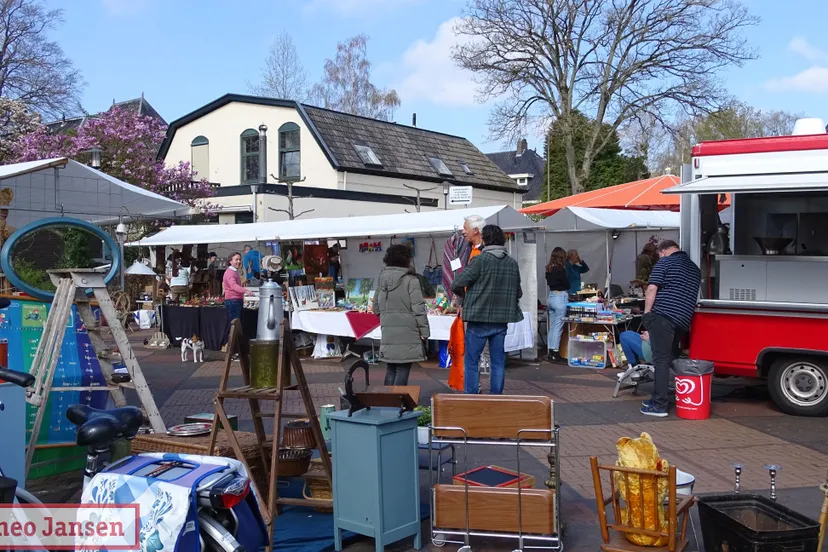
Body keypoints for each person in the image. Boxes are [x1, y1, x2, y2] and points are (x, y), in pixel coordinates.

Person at [450, 225, 523, 395]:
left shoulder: (480, 260)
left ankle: (472, 397)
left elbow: (456, 283)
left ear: (485, 239)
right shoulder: (512, 263)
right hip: (501, 319)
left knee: (472, 361)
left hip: (478, 318)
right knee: (497, 362)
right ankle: (496, 398)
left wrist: (466, 298)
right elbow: (518, 292)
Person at [641, 240, 701, 418]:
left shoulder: (665, 262)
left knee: (660, 361)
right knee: (671, 358)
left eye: (659, 254)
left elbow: (652, 288)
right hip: (682, 320)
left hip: (663, 317)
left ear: (663, 251)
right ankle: (667, 397)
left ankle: (659, 405)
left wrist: (647, 313)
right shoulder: (694, 268)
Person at [372, 244, 430, 386]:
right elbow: (418, 309)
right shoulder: (411, 280)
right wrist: (425, 332)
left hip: (388, 329)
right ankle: (399, 402)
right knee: (403, 369)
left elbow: (375, 307)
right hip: (408, 331)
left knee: (391, 368)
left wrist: (386, 319)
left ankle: (389, 402)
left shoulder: (381, 279)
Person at [545, 247, 569, 363]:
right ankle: (555, 352)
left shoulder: (548, 269)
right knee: (558, 327)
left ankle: (550, 352)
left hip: (551, 297)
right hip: (560, 297)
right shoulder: (561, 270)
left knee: (553, 326)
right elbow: (567, 284)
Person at [223, 252, 254, 324]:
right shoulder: (230, 272)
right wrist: (246, 291)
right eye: (236, 260)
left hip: (235, 300)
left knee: (236, 324)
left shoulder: (233, 272)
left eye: (240, 259)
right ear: (230, 261)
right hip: (233, 301)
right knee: (235, 324)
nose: (239, 261)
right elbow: (233, 286)